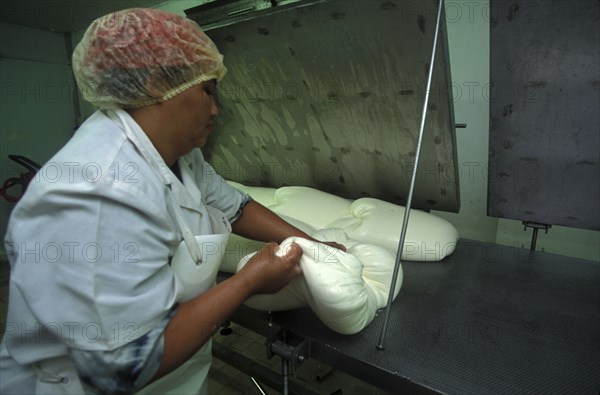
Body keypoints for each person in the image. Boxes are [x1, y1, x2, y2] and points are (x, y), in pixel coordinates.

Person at [0, 8, 344, 394]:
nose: (216, 109)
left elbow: (237, 206)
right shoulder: (97, 191)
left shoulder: (178, 154)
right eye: (207, 91)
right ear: (154, 83)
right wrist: (247, 284)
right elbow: (122, 366)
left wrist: (309, 244)